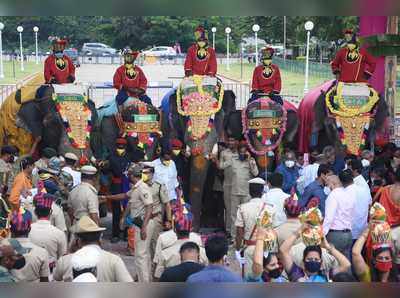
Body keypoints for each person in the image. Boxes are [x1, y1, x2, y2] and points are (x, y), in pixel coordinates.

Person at [106, 163, 154, 282]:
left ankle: (144, 286)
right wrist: (106, 197)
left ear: (132, 175)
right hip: (140, 223)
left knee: (140, 257)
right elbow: (124, 196)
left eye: (129, 174)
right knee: (143, 255)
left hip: (143, 224)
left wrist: (143, 227)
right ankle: (146, 280)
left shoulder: (142, 188)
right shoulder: (136, 187)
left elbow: (149, 206)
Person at [53, 215, 133, 282]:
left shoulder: (65, 261)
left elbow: (56, 278)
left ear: (78, 241)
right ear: (100, 239)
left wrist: (70, 250)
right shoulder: (114, 260)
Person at [235, 177, 277, 277]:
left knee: (250, 278)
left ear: (249, 191)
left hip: (249, 248)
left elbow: (239, 232)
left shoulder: (242, 208)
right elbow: (273, 230)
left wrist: (238, 249)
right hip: (266, 248)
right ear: (263, 191)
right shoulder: (270, 208)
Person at [280, 227, 351, 282]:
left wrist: (328, 247)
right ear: (303, 262)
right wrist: (299, 230)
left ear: (321, 262)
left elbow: (346, 265)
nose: (313, 261)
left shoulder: (326, 275)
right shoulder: (296, 274)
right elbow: (283, 250)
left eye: (316, 259)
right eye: (309, 259)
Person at [154, 209, 207, 280]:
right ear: (191, 229)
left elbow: (158, 276)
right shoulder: (203, 253)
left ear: (175, 231)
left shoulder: (165, 254)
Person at [29, 192, 67, 272]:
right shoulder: (59, 234)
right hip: (51, 274)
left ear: (35, 212)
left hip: (31, 273)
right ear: (50, 212)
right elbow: (62, 257)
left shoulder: (27, 232)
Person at [8, 208, 50, 282]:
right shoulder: (42, 253)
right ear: (29, 228)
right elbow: (44, 281)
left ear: (10, 229)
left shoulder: (3, 250)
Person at [141, 164, 172, 258]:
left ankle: (154, 269)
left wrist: (169, 220)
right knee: (142, 246)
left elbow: (167, 204)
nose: (144, 175)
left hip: (154, 218)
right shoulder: (139, 186)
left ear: (152, 174)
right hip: (141, 219)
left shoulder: (159, 186)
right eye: (142, 173)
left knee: (154, 244)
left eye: (146, 173)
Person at [229, 143, 259, 238]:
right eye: (240, 152)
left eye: (244, 152)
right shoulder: (233, 160)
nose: (242, 154)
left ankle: (246, 236)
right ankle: (234, 237)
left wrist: (250, 160)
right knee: (234, 215)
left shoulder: (251, 161)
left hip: (246, 192)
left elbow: (256, 173)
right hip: (234, 191)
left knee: (246, 215)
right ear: (238, 152)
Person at [323, 173, 355, 260]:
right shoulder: (349, 195)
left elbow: (329, 217)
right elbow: (352, 215)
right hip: (348, 234)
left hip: (335, 235)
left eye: (327, 184)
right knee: (346, 263)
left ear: (333, 184)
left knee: (334, 263)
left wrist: (322, 234)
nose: (327, 187)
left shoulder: (333, 195)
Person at [108, 138, 131, 243]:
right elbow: (113, 170)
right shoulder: (111, 157)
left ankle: (127, 233)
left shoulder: (129, 157)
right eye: (118, 146)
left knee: (128, 209)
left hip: (127, 185)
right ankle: (115, 234)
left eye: (122, 146)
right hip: (116, 186)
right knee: (116, 211)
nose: (120, 148)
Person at [218, 136, 238, 238]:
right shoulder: (224, 153)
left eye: (233, 140)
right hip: (227, 184)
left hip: (239, 185)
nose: (231, 142)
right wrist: (229, 162)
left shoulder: (241, 153)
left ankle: (238, 231)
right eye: (229, 140)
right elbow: (220, 166)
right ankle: (229, 231)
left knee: (238, 209)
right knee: (229, 208)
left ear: (236, 142)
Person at [346, 162, 372, 241]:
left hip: (358, 222)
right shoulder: (356, 181)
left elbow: (369, 204)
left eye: (349, 169)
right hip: (356, 223)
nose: (347, 171)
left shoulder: (361, 184)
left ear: (356, 171)